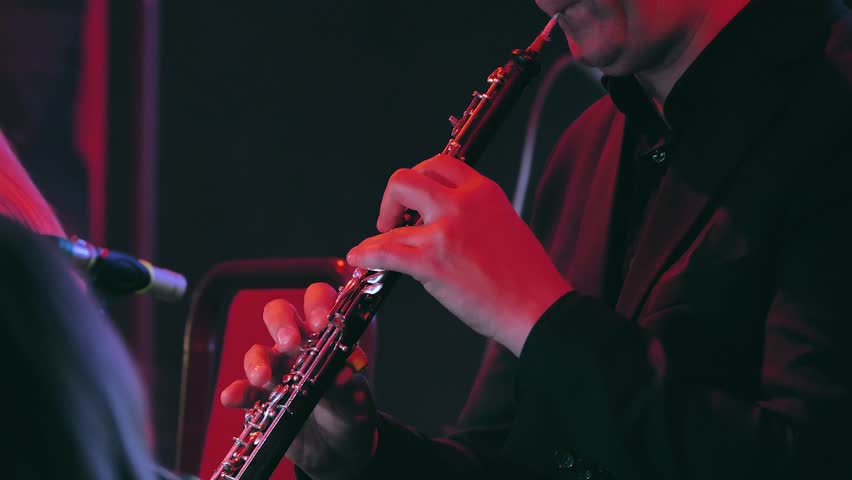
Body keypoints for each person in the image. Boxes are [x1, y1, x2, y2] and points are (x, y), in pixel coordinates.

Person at [222, 0, 852, 478]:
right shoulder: (586, 147)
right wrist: (363, 456)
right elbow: (510, 459)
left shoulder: (834, 106)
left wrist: (541, 318)